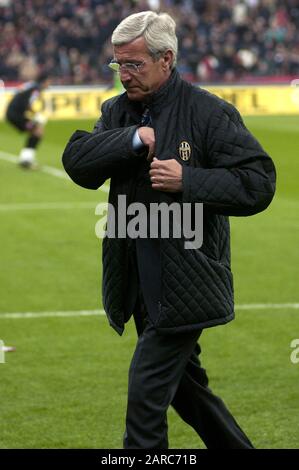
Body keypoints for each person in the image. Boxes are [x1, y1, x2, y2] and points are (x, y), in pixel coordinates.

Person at [62, 11, 276, 449]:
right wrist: (134, 139)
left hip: (187, 279)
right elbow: (79, 164)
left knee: (144, 402)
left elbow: (259, 184)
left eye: (134, 64)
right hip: (136, 278)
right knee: (187, 392)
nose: (124, 75)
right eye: (118, 65)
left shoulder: (210, 112)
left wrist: (189, 181)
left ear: (167, 59)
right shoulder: (118, 110)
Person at [6, 73, 50, 169]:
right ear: (44, 81)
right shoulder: (36, 89)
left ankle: (26, 159)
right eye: (48, 81)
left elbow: (22, 98)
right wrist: (37, 115)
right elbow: (28, 103)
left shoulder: (31, 85)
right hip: (16, 115)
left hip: (13, 113)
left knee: (36, 131)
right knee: (38, 131)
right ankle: (26, 160)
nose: (49, 84)